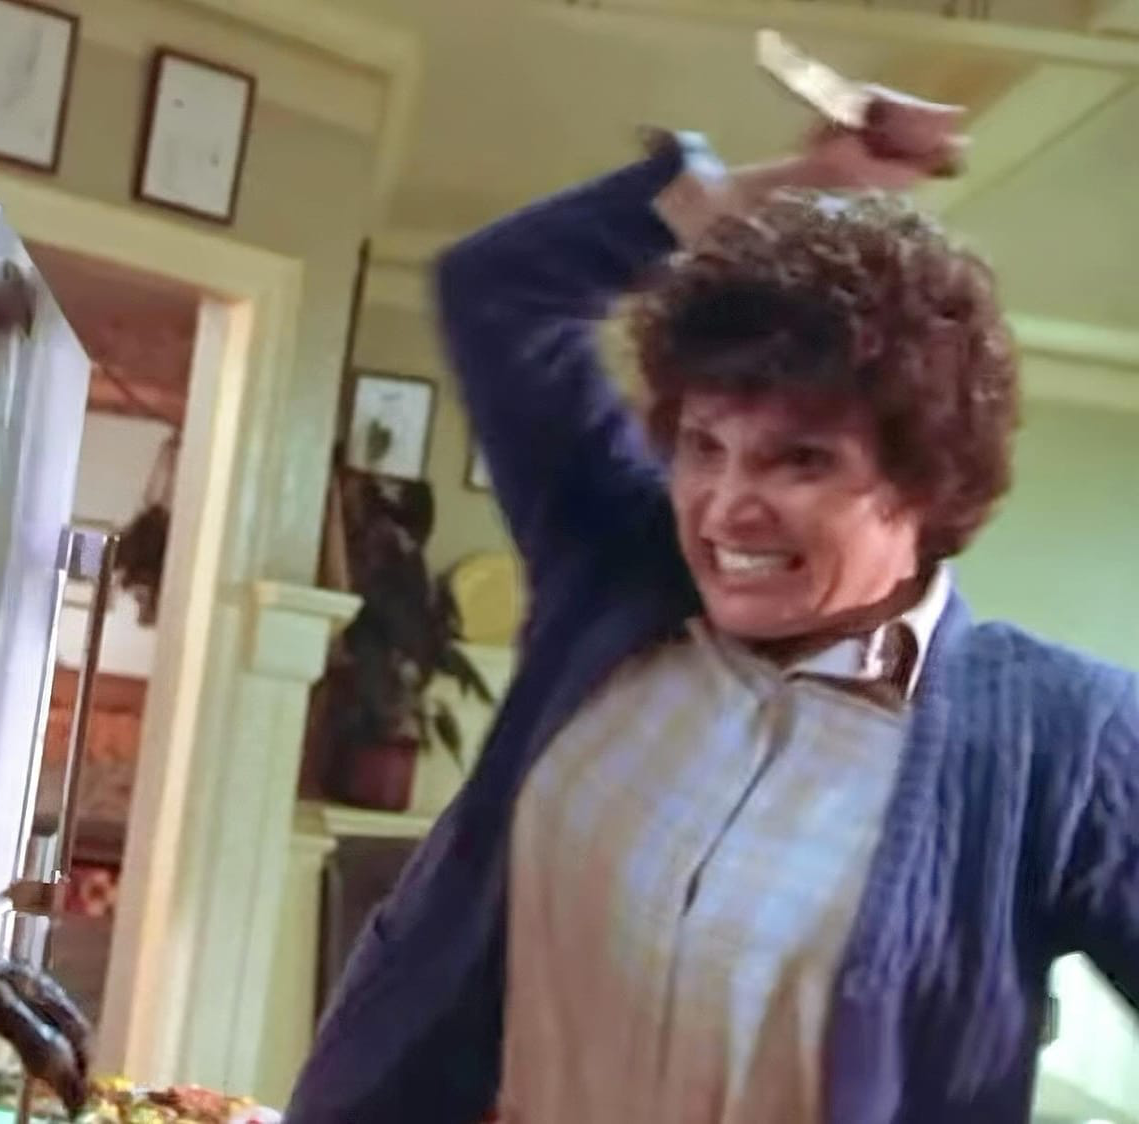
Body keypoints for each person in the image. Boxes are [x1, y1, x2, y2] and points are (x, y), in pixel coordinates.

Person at [286, 88, 1139, 1123]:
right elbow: (496, 289)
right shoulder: (619, 566)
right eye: (703, 446)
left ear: (925, 481)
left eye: (800, 459)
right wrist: (790, 189)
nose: (726, 505)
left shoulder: (1060, 739)